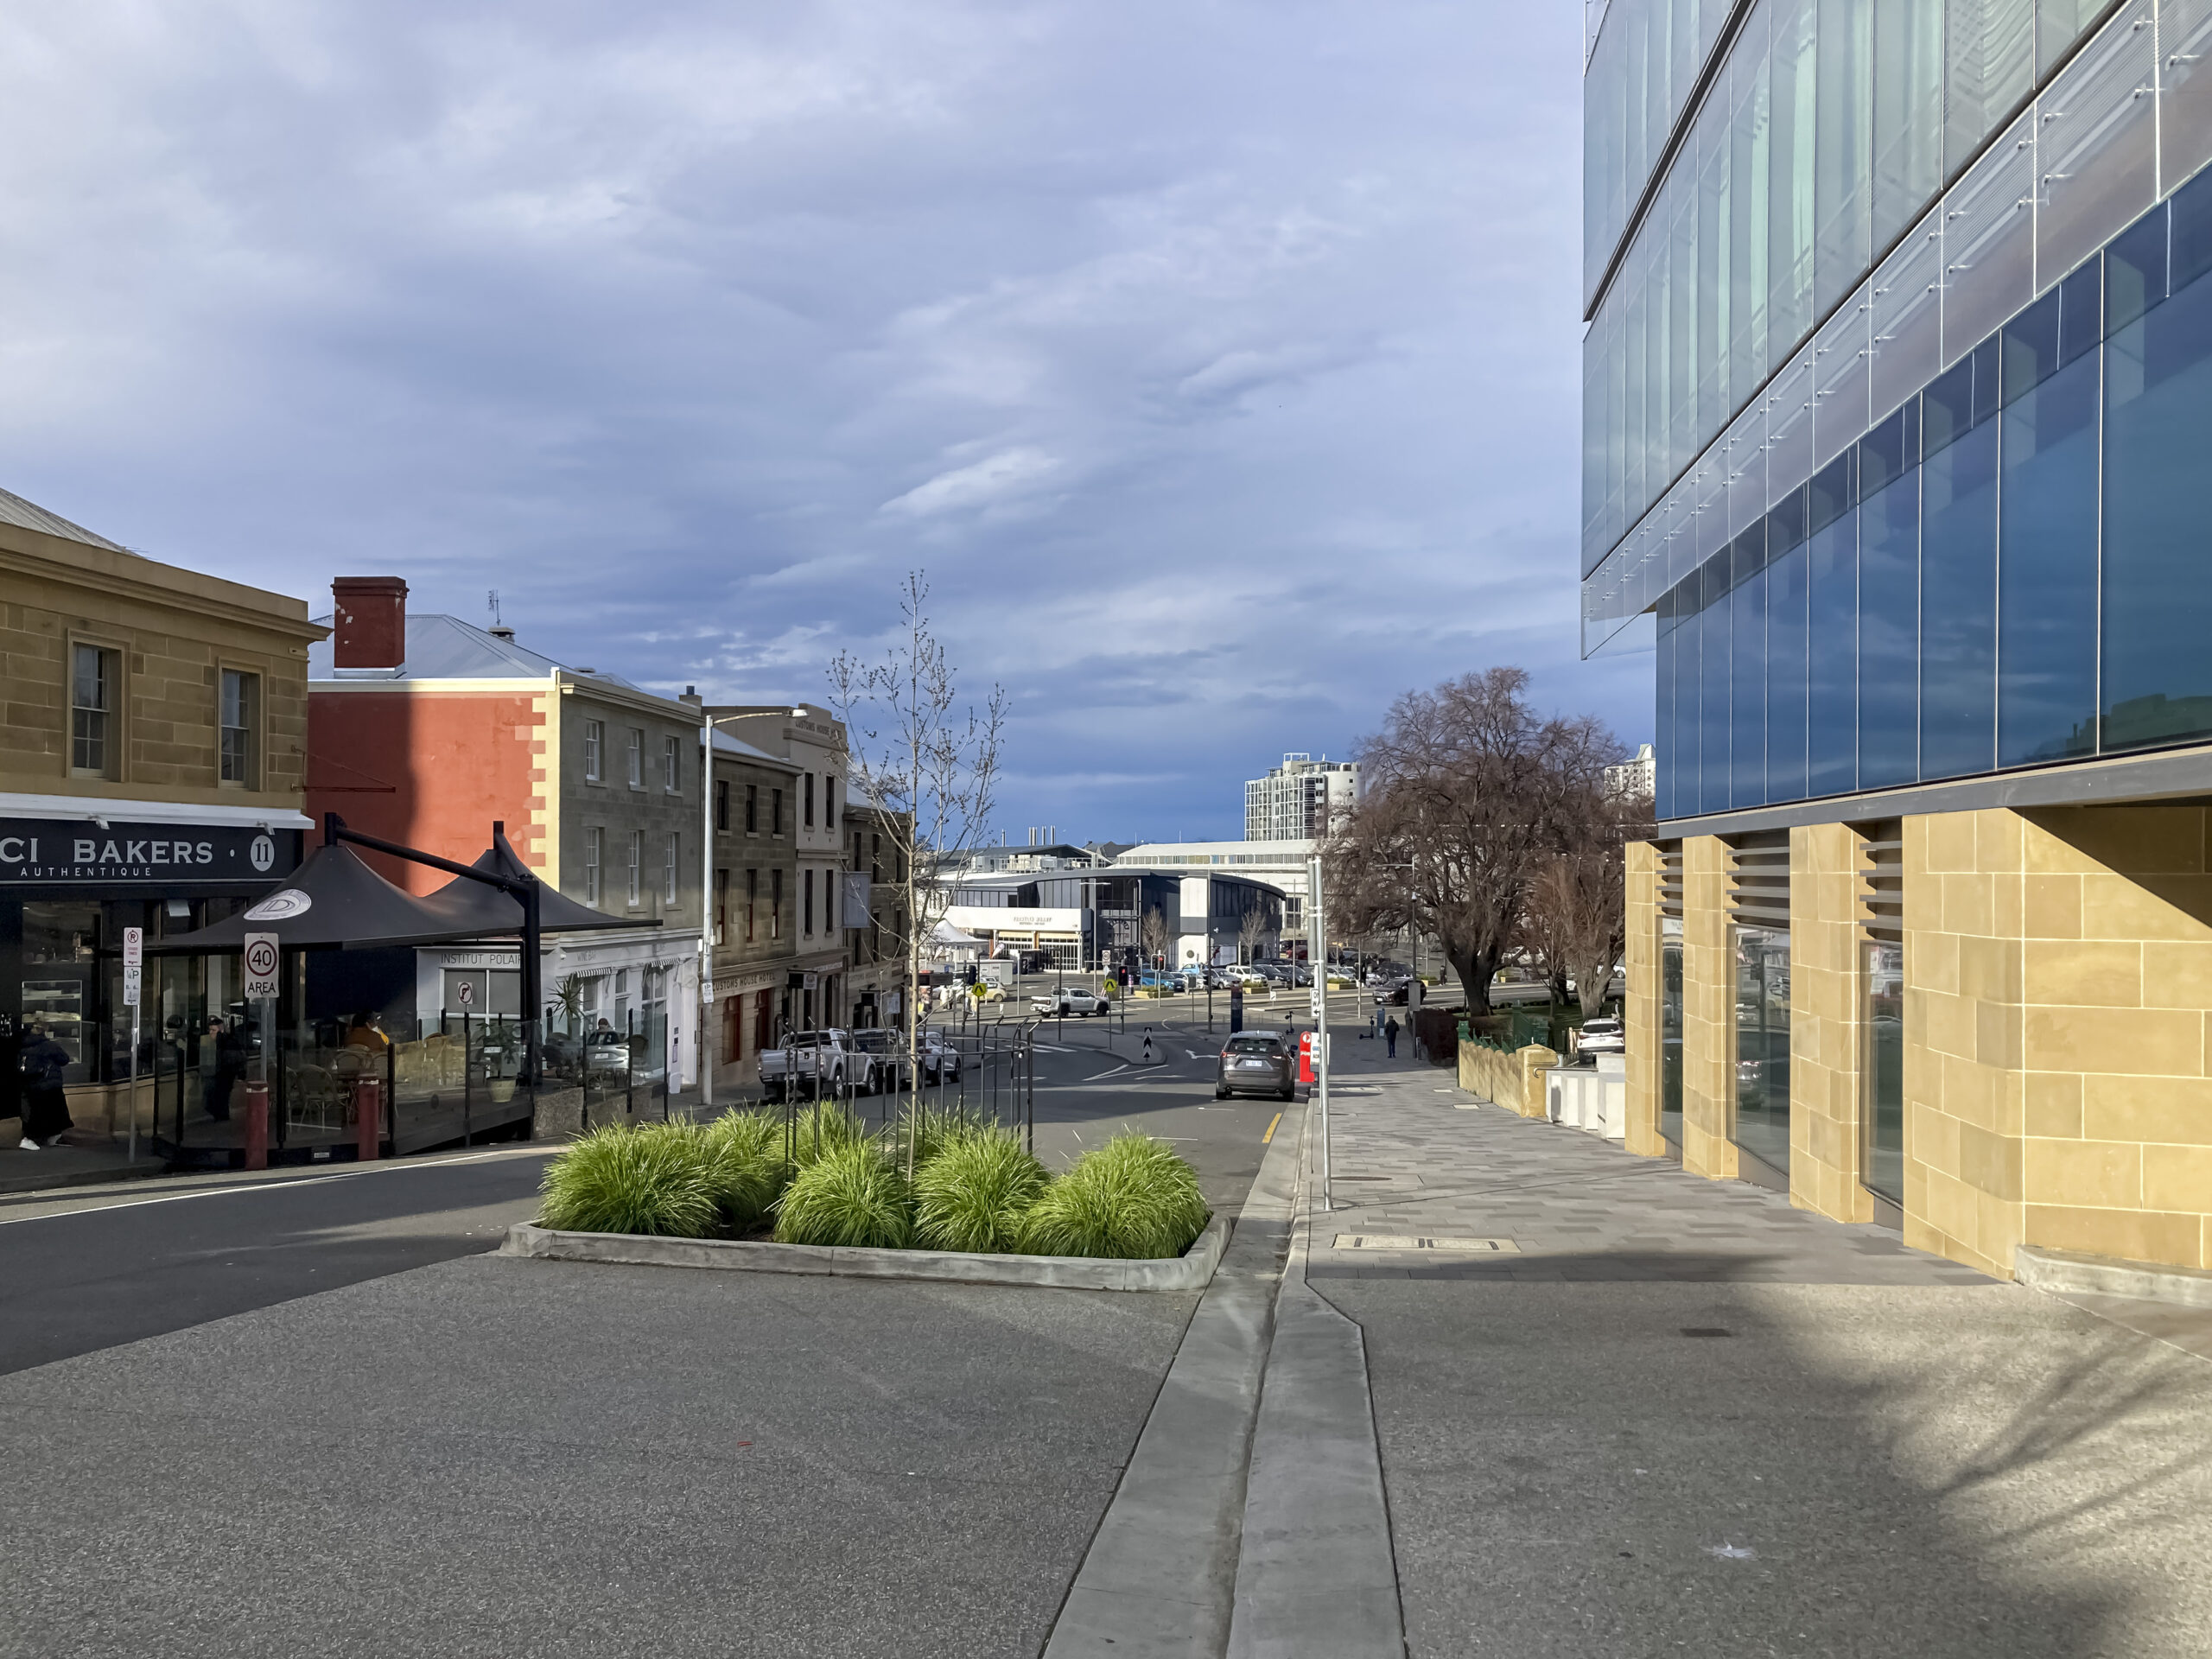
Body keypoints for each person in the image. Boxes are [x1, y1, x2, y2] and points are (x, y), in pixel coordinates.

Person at [16, 1020, 74, 1150]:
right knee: (54, 1111)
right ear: (45, 1031)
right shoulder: (48, 1045)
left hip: (31, 1083)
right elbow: (64, 1059)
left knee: (36, 1111)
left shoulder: (24, 1044)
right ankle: (33, 1139)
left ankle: (49, 1137)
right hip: (49, 1083)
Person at [203, 1016, 245, 1122]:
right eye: (210, 1030)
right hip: (217, 1073)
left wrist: (239, 1074)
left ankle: (222, 1117)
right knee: (216, 1097)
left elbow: (237, 1059)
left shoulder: (228, 1042)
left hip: (225, 1073)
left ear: (221, 1030)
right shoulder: (212, 1043)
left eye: (214, 1030)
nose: (211, 1033)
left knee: (221, 1097)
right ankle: (221, 1116)